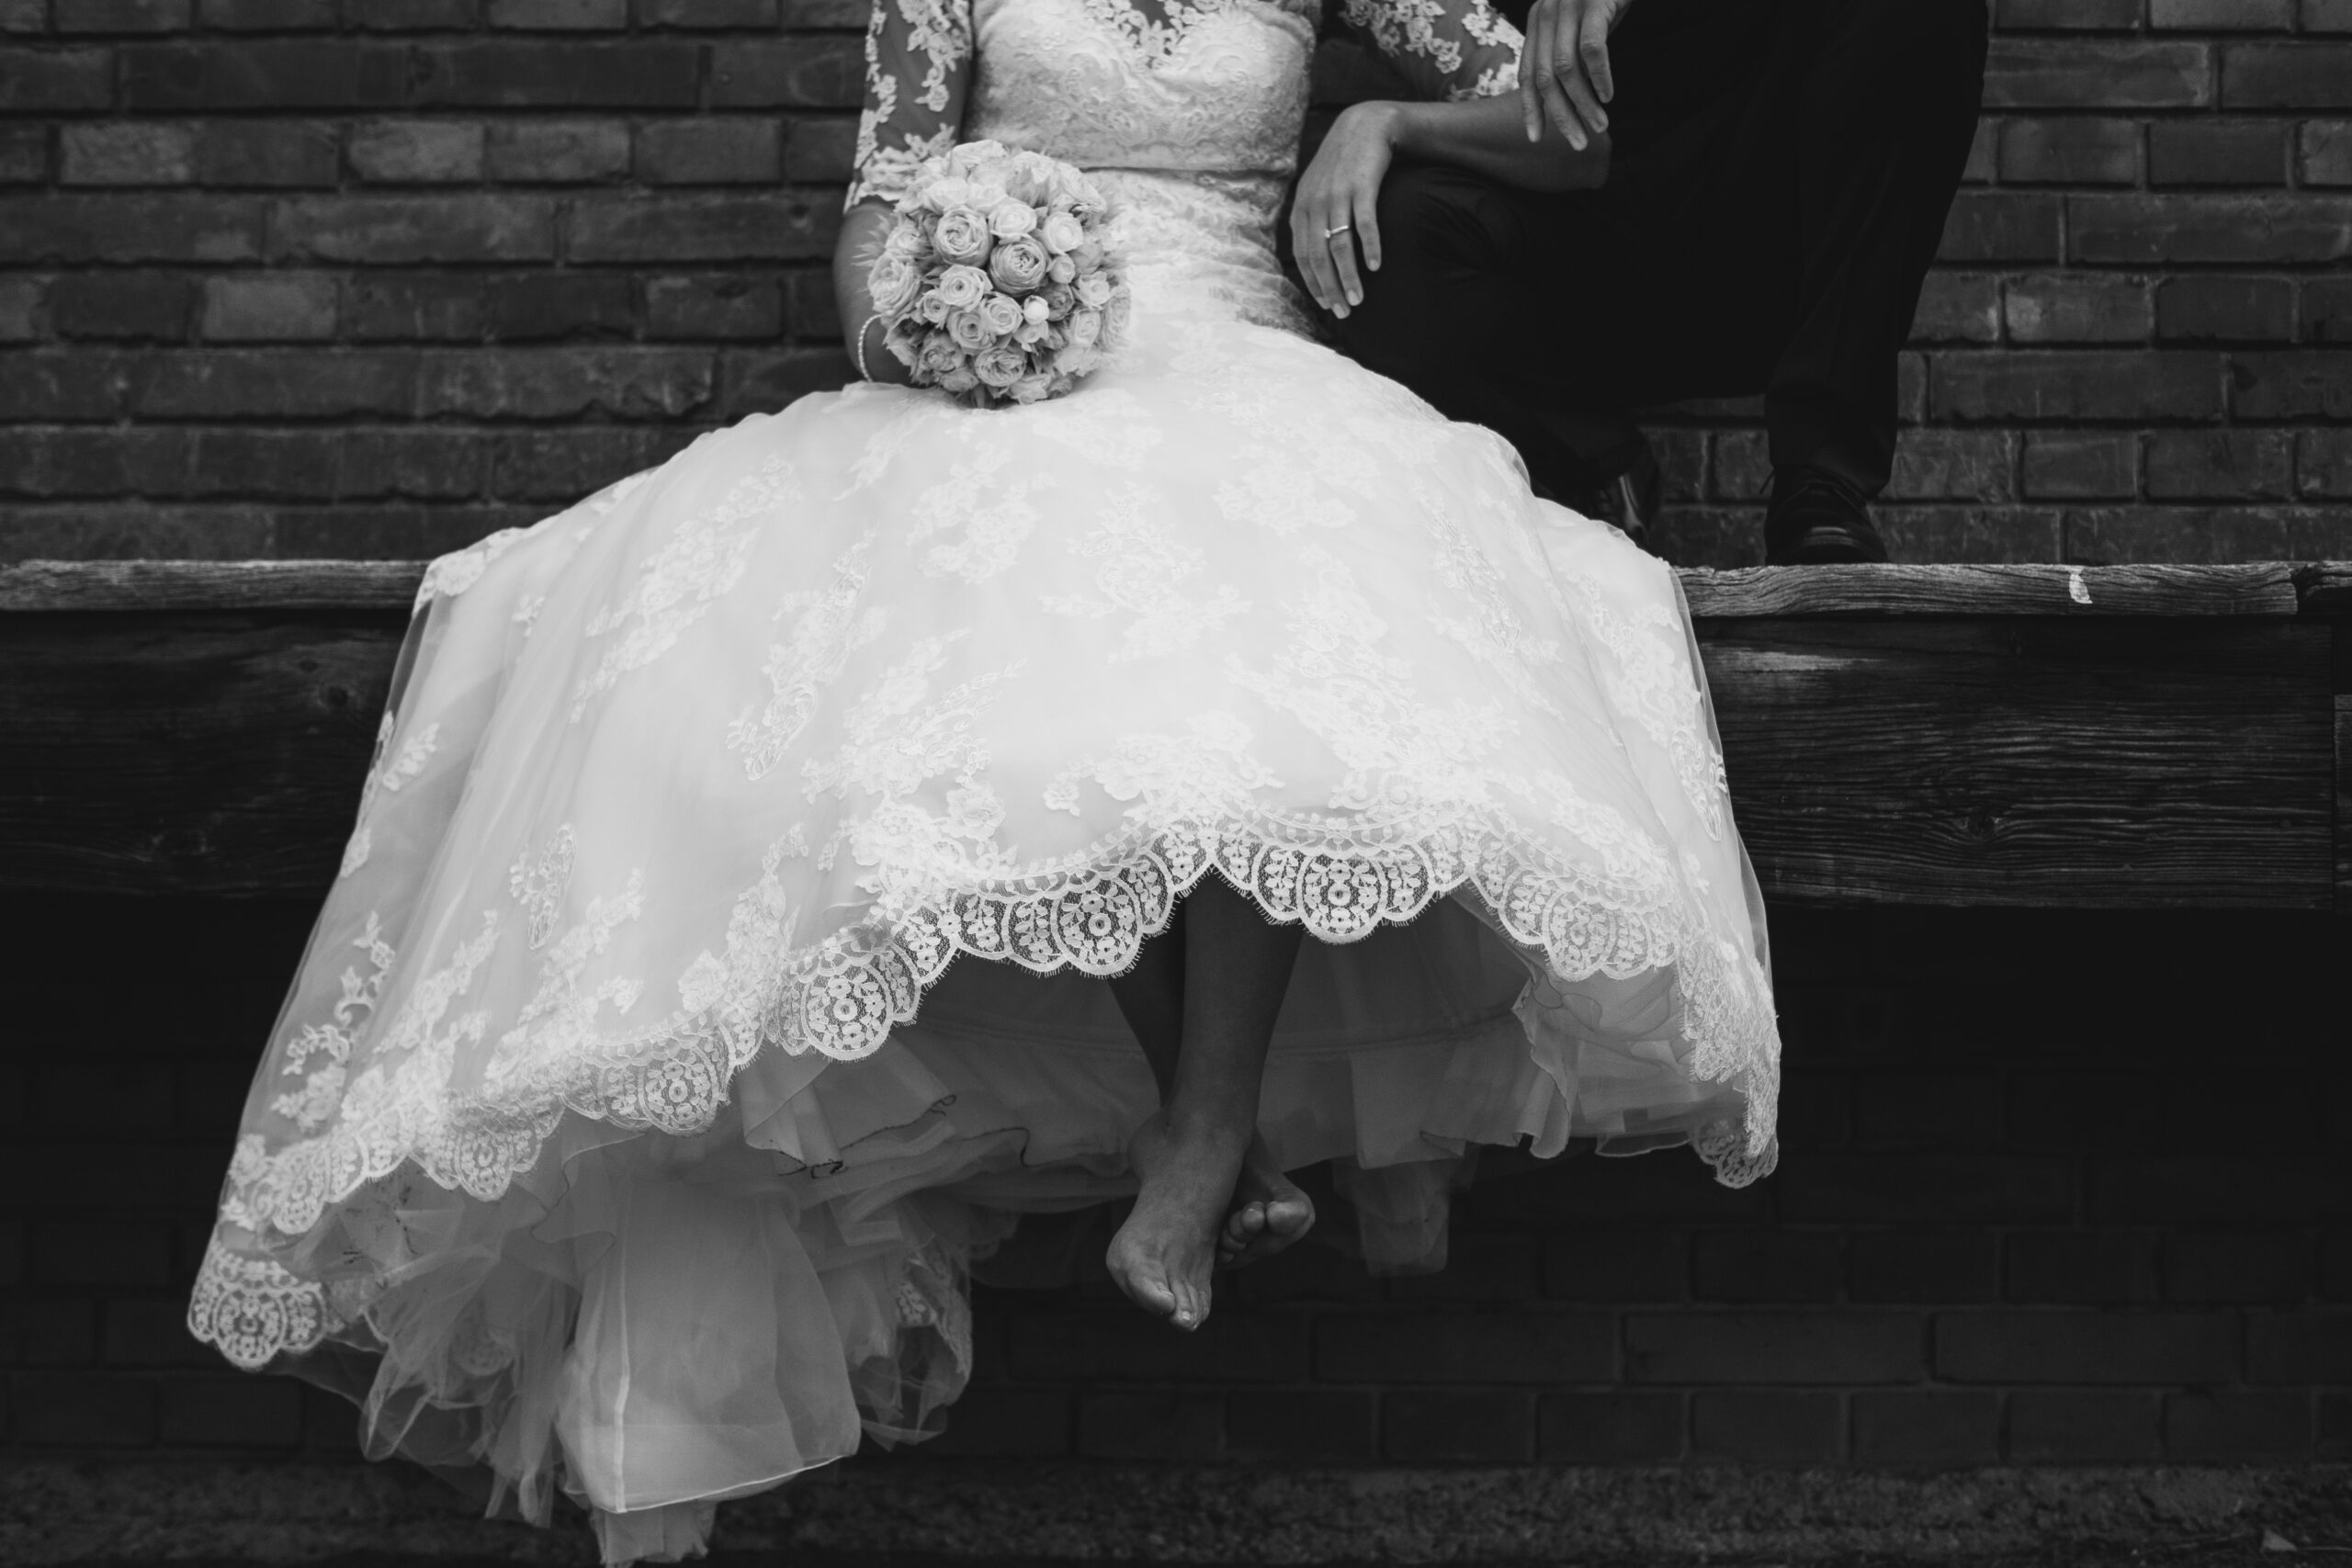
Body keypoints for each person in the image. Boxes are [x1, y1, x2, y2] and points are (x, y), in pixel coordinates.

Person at [187, 0, 1781, 1559]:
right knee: (1020, 651)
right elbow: (881, 210)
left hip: (1250, 374)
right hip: (1015, 393)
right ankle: (1205, 1130)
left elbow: (1580, 134)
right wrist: (928, 330)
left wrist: (1387, 115)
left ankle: (1204, 1132)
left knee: (1272, 634)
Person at [1307, 0, 1988, 562]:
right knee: (1378, 231)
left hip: (1773, 209)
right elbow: (1564, 135)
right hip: (1578, 250)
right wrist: (1380, 120)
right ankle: (1595, 464)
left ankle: (1822, 481)